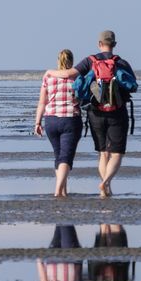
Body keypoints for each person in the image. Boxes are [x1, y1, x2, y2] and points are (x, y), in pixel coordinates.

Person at [46, 30, 135, 198]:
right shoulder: (121, 62)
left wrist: (49, 72)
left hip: (96, 113)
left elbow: (67, 74)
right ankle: (106, 183)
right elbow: (133, 85)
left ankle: (106, 188)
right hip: (118, 113)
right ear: (114, 44)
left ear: (99, 44)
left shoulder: (90, 61)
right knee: (116, 153)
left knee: (103, 153)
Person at [34, 49, 82, 197]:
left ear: (58, 61)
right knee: (66, 157)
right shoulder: (78, 77)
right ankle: (57, 191)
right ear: (72, 61)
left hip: (51, 120)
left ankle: (64, 192)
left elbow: (42, 102)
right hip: (70, 119)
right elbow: (84, 96)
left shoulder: (48, 76)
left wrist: (37, 122)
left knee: (59, 156)